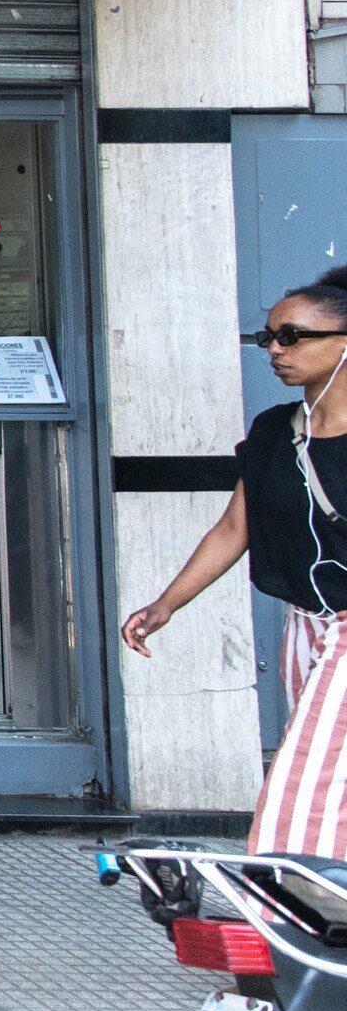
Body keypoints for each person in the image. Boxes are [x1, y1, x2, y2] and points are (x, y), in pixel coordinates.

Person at [124, 265, 347, 858]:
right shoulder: (277, 430)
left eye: (293, 337)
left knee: (312, 765)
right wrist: (166, 604)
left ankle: (287, 886)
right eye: (268, 336)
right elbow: (234, 528)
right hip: (308, 622)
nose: (275, 349)